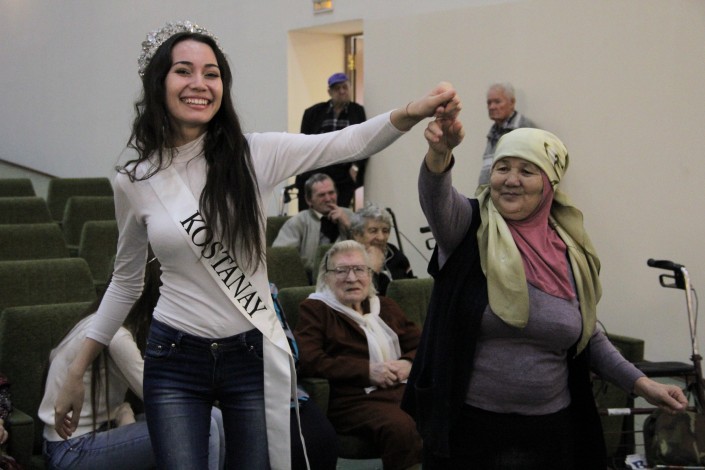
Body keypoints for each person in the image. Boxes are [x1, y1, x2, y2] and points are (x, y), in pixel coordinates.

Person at [52, 18, 461, 470]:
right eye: (183, 71)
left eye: (211, 73)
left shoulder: (255, 154)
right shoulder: (135, 180)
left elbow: (347, 141)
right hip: (173, 359)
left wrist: (414, 110)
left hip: (248, 354)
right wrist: (76, 370)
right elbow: (126, 283)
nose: (199, 83)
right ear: (158, 84)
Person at [402, 114, 688, 468]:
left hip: (551, 431)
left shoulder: (569, 249)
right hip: (470, 429)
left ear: (548, 184)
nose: (511, 180)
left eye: (527, 170)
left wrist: (643, 384)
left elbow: (586, 334)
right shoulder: (468, 227)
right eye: (502, 168)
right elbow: (435, 198)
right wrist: (439, 154)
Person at [40, 260, 225, 470]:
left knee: (216, 417)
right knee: (200, 426)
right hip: (71, 449)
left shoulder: (108, 323)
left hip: (97, 434)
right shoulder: (116, 335)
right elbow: (163, 398)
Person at [295, 240, 423, 470]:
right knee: (402, 427)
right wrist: (367, 371)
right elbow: (307, 359)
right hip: (353, 399)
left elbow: (423, 345)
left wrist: (408, 363)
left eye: (359, 269)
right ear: (327, 277)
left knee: (450, 412)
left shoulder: (385, 306)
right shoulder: (316, 309)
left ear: (369, 274)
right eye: (341, 271)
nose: (352, 278)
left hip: (402, 389)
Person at [295, 73, 368, 210]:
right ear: (329, 92)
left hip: (343, 172)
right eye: (337, 88)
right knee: (309, 214)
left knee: (338, 214)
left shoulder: (357, 111)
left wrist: (355, 167)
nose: (342, 91)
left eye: (345, 87)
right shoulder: (313, 112)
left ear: (350, 88)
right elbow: (303, 143)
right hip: (317, 168)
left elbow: (364, 141)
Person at [274, 173, 353, 279]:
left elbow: (366, 249)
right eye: (321, 195)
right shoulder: (298, 222)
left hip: (349, 276)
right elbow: (280, 255)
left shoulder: (349, 216)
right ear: (309, 200)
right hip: (310, 280)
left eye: (331, 193)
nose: (328, 199)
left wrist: (348, 225)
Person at [478, 82, 537, 186]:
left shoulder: (524, 129)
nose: (492, 107)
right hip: (490, 194)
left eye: (497, 102)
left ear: (512, 102)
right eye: (489, 102)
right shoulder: (493, 132)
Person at [350, 203, 414, 295]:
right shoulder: (346, 259)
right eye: (373, 231)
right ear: (357, 234)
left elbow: (412, 290)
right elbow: (357, 297)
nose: (381, 237)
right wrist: (373, 270)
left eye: (385, 231)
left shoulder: (396, 256)